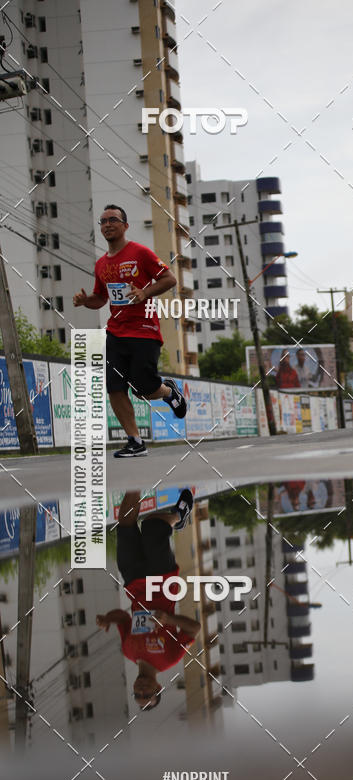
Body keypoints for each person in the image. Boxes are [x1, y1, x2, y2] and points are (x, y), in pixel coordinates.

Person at [73, 204, 187, 458]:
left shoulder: (140, 253)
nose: (107, 224)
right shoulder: (101, 264)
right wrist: (85, 301)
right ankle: (135, 441)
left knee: (144, 388)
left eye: (113, 219)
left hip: (144, 330)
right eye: (102, 221)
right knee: (114, 386)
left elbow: (169, 279)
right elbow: (100, 299)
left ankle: (168, 391)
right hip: (116, 332)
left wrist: (144, 292)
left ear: (125, 225)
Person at [96, 488, 198, 710]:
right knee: (153, 526)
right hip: (160, 581)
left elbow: (123, 618)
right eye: (147, 693)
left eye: (138, 694)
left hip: (133, 580)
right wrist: (168, 619)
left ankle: (133, 480)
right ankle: (179, 518)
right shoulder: (169, 658)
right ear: (158, 688)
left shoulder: (128, 651)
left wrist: (107, 618)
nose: (141, 689)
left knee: (125, 523)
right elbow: (194, 629)